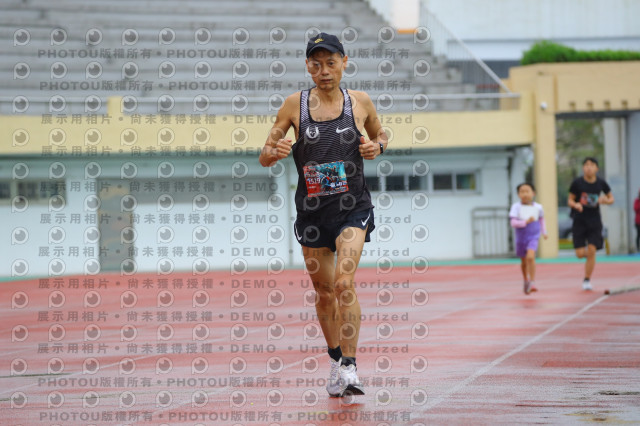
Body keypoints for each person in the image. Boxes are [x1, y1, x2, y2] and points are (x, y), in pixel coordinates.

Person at [258, 32, 388, 397]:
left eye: (331, 63)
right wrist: (274, 151)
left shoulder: (359, 102)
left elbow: (381, 134)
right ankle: (334, 359)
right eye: (316, 65)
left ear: (344, 62)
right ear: (308, 67)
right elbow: (264, 154)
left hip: (353, 208)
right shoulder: (293, 105)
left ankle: (350, 366)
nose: (324, 71)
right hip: (313, 213)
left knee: (344, 284)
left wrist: (376, 147)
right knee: (325, 290)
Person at [568, 157, 614, 290]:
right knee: (580, 254)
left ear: (597, 168)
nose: (589, 167)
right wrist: (576, 204)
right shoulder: (577, 183)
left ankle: (587, 279)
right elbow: (570, 200)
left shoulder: (601, 183)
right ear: (583, 168)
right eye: (586, 165)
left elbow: (611, 198)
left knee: (592, 250)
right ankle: (589, 257)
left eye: (592, 165)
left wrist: (605, 200)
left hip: (594, 220)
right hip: (579, 220)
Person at [509, 183, 548, 294]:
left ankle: (532, 282)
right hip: (521, 237)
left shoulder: (538, 207)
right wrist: (525, 222)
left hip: (533, 236)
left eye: (527, 191)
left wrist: (544, 232)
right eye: (522, 191)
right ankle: (525, 279)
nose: (525, 194)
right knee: (524, 261)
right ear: (518, 194)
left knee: (530, 257)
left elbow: (541, 220)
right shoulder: (516, 207)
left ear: (533, 193)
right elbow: (513, 223)